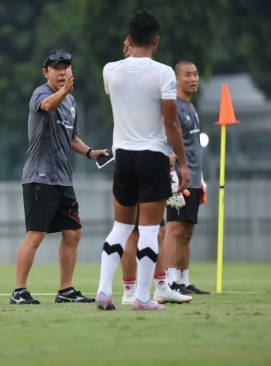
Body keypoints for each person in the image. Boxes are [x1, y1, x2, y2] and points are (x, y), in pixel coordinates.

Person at [96, 9, 190, 311]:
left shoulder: (110, 69)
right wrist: (183, 163)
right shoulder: (163, 73)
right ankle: (143, 298)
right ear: (156, 40)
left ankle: (103, 291)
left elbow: (121, 84)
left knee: (121, 228)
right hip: (152, 156)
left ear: (128, 39)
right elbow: (171, 123)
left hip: (122, 157)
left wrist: (126, 58)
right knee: (149, 231)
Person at [10, 49, 107, 305]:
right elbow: (47, 105)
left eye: (66, 67)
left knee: (73, 233)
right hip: (39, 178)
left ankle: (66, 290)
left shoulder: (72, 103)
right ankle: (19, 291)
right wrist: (63, 92)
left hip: (64, 180)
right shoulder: (41, 93)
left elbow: (71, 137)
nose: (63, 71)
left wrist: (90, 152)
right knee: (36, 234)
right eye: (57, 68)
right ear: (46, 72)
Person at [163, 60, 210, 295]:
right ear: (177, 79)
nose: (193, 79)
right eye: (187, 75)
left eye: (195, 74)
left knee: (188, 230)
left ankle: (183, 280)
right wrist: (172, 172)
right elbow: (166, 140)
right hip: (179, 180)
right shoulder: (175, 107)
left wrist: (201, 180)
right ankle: (169, 281)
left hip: (194, 178)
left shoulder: (191, 107)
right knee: (174, 228)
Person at [120, 154, 193, 306]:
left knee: (159, 232)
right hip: (138, 173)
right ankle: (130, 292)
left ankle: (162, 287)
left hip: (150, 174)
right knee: (133, 234)